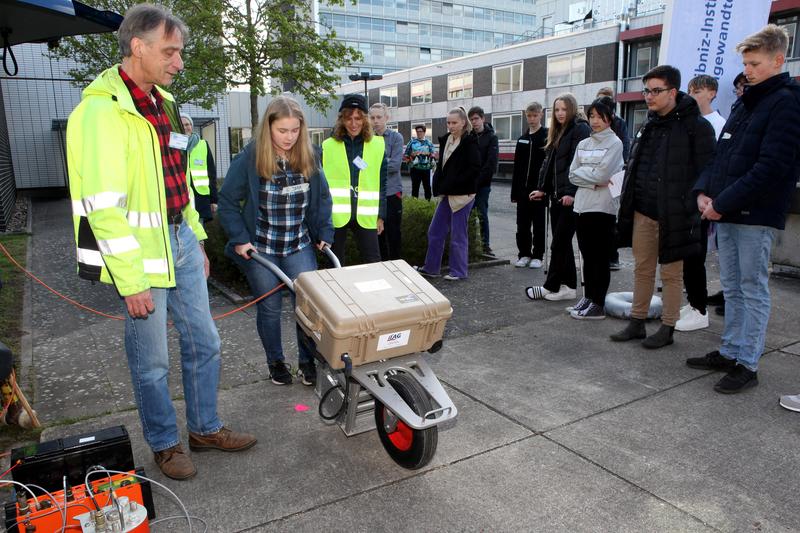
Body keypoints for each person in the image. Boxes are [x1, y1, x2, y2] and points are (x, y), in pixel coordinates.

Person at [65, 4, 256, 481]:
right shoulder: (99, 113)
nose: (179, 62)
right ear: (138, 47)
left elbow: (180, 180)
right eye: (170, 52)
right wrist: (130, 281)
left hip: (181, 241)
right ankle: (166, 444)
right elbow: (103, 207)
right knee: (152, 361)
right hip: (140, 254)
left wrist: (195, 237)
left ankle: (205, 428)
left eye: (180, 52)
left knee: (205, 342)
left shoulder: (163, 104)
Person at [687, 25, 800, 394]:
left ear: (778, 60)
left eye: (754, 63)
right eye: (746, 63)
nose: (747, 70)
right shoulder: (746, 100)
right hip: (727, 210)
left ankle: (747, 363)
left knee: (752, 289)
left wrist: (723, 202)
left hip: (752, 214)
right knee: (733, 288)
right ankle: (730, 350)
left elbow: (772, 167)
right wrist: (704, 191)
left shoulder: (786, 101)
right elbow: (721, 155)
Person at [218, 95, 333, 388]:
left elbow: (321, 199)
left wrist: (324, 233)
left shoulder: (310, 154)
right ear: (268, 127)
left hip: (298, 243)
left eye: (295, 130)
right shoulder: (251, 157)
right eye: (282, 131)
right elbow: (228, 201)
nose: (289, 137)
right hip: (262, 247)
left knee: (307, 307)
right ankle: (276, 362)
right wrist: (240, 239)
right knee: (269, 307)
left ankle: (308, 362)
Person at [610, 65, 716, 349]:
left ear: (673, 91)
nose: (648, 96)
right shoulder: (650, 124)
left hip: (676, 215)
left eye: (655, 91)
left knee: (671, 274)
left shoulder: (697, 126)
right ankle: (637, 322)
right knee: (642, 269)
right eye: (646, 90)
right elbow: (636, 168)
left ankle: (667, 327)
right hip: (643, 211)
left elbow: (707, 171)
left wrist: (691, 204)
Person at [525, 93, 590, 302]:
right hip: (556, 197)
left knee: (559, 244)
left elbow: (577, 163)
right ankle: (569, 286)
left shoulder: (580, 128)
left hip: (571, 198)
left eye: (564, 109)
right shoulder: (559, 130)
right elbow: (550, 162)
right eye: (557, 110)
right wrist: (543, 188)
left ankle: (550, 286)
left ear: (572, 108)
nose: (560, 113)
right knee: (562, 244)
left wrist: (571, 192)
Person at [675, 74, 727, 333]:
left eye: (698, 91)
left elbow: (716, 165)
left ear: (712, 93)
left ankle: (700, 308)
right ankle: (693, 302)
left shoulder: (719, 124)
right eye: (691, 91)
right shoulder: (686, 123)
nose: (693, 95)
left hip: (702, 200)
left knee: (696, 255)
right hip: (683, 199)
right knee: (687, 255)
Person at [568, 97, 624, 320]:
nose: (595, 121)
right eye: (592, 116)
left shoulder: (615, 143)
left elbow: (604, 174)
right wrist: (593, 179)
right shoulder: (583, 144)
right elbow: (572, 174)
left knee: (599, 258)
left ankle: (598, 302)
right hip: (581, 207)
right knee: (587, 256)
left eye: (600, 117)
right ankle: (589, 297)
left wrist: (590, 175)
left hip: (602, 208)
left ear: (609, 118)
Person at [415, 108, 481, 281]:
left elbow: (474, 168)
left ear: (463, 123)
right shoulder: (446, 140)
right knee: (435, 230)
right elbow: (443, 166)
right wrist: (439, 184)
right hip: (447, 194)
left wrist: (454, 183)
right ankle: (431, 268)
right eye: (448, 123)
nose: (451, 126)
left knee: (458, 234)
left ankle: (458, 272)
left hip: (463, 196)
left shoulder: (470, 142)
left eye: (454, 122)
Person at [321, 94, 386, 265]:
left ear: (365, 119)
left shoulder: (378, 145)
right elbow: (320, 185)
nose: (353, 123)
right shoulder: (327, 146)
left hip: (366, 213)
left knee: (373, 261)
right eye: (348, 118)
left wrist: (381, 215)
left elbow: (382, 183)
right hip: (336, 214)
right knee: (334, 262)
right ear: (341, 119)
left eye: (358, 118)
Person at [511, 102, 548, 269]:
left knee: (539, 225)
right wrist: (515, 193)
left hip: (539, 190)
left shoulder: (547, 136)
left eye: (535, 115)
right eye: (529, 116)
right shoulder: (522, 139)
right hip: (522, 190)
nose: (532, 119)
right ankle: (524, 254)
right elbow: (517, 167)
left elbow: (548, 165)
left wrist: (545, 189)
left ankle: (538, 255)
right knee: (522, 225)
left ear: (541, 115)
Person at [596, 87, 629, 271]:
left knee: (610, 215)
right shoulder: (593, 123)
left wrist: (617, 172)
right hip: (597, 175)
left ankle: (612, 256)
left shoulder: (619, 123)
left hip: (615, 175)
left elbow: (624, 148)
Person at [369, 103, 404, 261]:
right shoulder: (367, 139)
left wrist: (373, 164)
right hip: (373, 193)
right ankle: (381, 267)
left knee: (394, 234)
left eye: (379, 117)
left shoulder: (396, 138)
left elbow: (395, 165)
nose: (375, 121)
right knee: (377, 235)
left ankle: (397, 266)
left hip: (392, 192)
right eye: (372, 117)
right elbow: (358, 163)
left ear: (386, 118)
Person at [468, 106, 498, 257]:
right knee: (469, 215)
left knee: (482, 214)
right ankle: (472, 245)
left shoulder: (491, 137)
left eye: (476, 119)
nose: (474, 122)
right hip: (468, 184)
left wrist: (478, 181)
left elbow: (491, 163)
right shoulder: (469, 136)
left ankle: (486, 246)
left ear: (483, 119)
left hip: (483, 184)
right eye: (471, 119)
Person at [180, 114, 218, 224]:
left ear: (191, 126)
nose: (185, 127)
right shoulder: (174, 145)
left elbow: (211, 174)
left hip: (200, 197)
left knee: (199, 233)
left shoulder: (203, 145)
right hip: (182, 196)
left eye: (187, 124)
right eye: (182, 125)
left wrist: (214, 200)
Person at [405, 125, 436, 200]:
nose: (419, 133)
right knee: (415, 188)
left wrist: (429, 155)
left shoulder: (429, 143)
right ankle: (414, 205)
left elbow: (433, 154)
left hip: (426, 169)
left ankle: (428, 204)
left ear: (424, 132)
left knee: (427, 188)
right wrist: (411, 156)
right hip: (415, 169)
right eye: (417, 131)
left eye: (420, 131)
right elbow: (406, 154)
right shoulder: (412, 142)